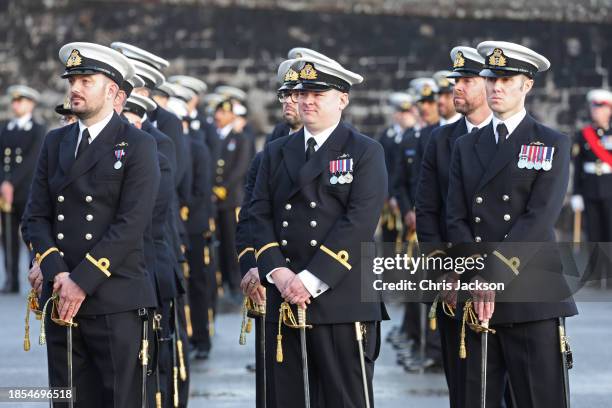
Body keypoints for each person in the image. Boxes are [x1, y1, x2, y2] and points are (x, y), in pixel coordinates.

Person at [25, 42, 159, 407]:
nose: (75, 88)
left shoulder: (137, 144)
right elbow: (34, 217)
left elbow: (130, 224)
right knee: (67, 399)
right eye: (72, 79)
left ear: (113, 91)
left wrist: (80, 280)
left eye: (86, 79)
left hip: (114, 298)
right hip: (61, 296)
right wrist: (57, 272)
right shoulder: (55, 143)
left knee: (118, 399)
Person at [250, 54, 387, 407]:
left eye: (318, 93)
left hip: (341, 296)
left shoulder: (365, 151)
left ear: (342, 99)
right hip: (285, 293)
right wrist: (279, 273)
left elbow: (358, 222)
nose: (306, 100)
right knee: (288, 396)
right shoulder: (276, 152)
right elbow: (259, 214)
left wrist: (309, 280)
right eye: (302, 92)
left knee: (344, 398)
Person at [446, 41, 578, 407]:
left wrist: (492, 274)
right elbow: (455, 217)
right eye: (490, 78)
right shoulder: (466, 146)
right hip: (477, 294)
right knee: (476, 398)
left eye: (507, 79)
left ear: (527, 85)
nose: (496, 87)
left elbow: (538, 218)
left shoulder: (550, 143)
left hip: (531, 293)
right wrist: (474, 273)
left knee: (539, 399)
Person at [415, 46, 492, 404]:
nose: (456, 88)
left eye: (466, 80)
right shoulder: (440, 140)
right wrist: (444, 269)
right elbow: (428, 212)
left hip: (507, 274)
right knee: (461, 383)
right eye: (455, 81)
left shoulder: (517, 137)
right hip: (454, 279)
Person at [0, 85, 45, 293]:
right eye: (15, 101)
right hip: (5, 193)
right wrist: (3, 182)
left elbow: (31, 161)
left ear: (31, 104)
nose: (17, 105)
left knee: (31, 237)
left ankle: (34, 279)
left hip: (26, 191)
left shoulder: (37, 130)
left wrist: (11, 183)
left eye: (22, 101)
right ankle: (11, 280)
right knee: (8, 237)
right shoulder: (5, 128)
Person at [571, 88, 612, 288]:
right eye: (593, 106)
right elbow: (578, 167)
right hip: (590, 190)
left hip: (610, 190)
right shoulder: (584, 135)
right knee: (593, 234)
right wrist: (577, 193)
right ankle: (596, 274)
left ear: (609, 110)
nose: (595, 110)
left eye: (600, 106)